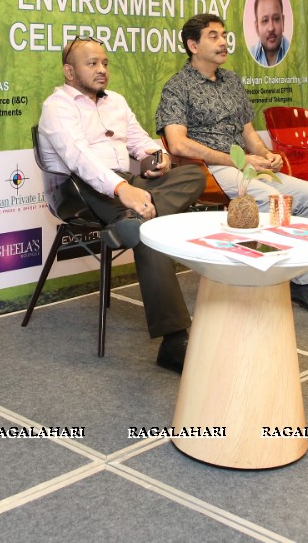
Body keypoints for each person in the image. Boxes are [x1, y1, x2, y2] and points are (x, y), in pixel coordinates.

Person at [38, 37, 206, 373]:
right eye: (92, 64)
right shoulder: (57, 107)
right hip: (80, 190)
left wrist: (155, 158)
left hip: (126, 186)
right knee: (147, 232)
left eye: (105, 63)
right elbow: (79, 158)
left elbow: (140, 141)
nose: (102, 70)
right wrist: (120, 188)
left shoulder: (116, 101)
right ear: (70, 71)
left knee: (193, 177)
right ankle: (175, 340)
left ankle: (131, 220)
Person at [156, 13, 308, 317]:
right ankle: (259, 278)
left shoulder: (232, 80)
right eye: (213, 36)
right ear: (193, 45)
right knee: (270, 201)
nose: (223, 41)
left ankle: (301, 282)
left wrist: (266, 156)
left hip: (245, 164)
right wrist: (237, 160)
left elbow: (248, 132)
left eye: (223, 35)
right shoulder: (178, 87)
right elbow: (177, 144)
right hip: (213, 168)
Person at [250, 0, 290, 67]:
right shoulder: (249, 57)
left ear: (283, 21)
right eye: (265, 21)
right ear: (257, 27)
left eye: (276, 19)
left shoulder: (294, 53)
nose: (271, 28)